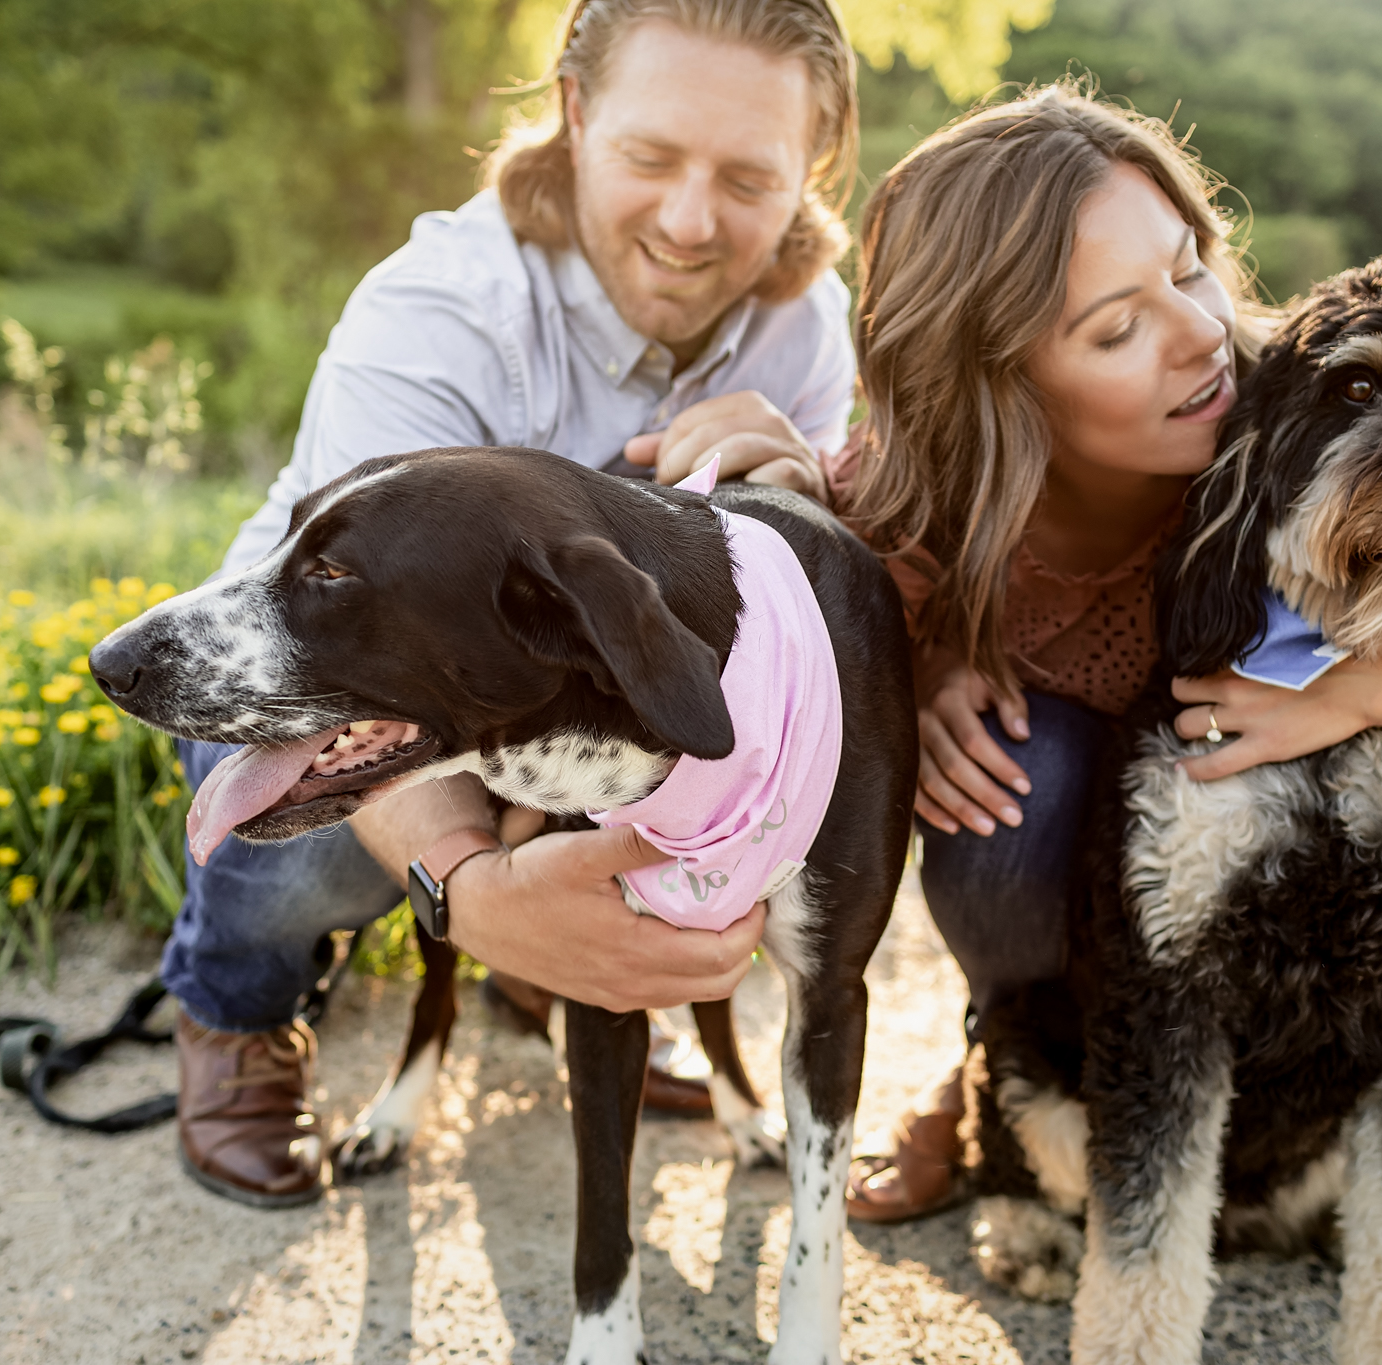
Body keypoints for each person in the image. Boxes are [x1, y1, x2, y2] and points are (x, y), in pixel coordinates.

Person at [830, 84, 1382, 1274]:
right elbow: (817, 577)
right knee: (1012, 792)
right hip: (1098, 898)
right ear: (999, 384)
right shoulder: (925, 500)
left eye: (1186, 270)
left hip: (1325, 881)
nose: (1191, 336)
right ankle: (995, 1083)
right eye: (1113, 328)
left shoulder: (1314, 407)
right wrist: (916, 661)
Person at [166, 0, 863, 1208]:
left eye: (749, 177)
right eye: (650, 159)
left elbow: (789, 640)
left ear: (812, 167)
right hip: (331, 668)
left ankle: (580, 971)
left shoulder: (804, 327)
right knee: (307, 858)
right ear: (577, 112)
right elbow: (338, 631)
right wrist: (471, 890)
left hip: (579, 715)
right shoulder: (438, 310)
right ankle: (235, 1011)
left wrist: (805, 496)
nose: (692, 224)